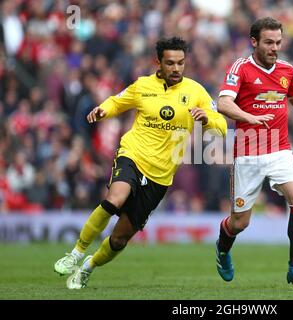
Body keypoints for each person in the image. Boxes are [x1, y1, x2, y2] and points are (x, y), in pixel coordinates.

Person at [54, 37, 227, 289]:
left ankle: (88, 266)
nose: (176, 68)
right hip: (133, 155)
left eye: (181, 63)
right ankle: (75, 254)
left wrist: (206, 119)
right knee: (115, 199)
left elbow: (221, 125)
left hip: (161, 175)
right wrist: (103, 109)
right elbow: (117, 101)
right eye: (170, 63)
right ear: (158, 62)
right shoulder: (143, 85)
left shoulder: (196, 91)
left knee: (119, 239)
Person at [214, 17, 293, 289]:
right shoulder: (241, 68)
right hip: (248, 154)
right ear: (254, 42)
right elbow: (223, 104)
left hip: (279, 149)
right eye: (269, 42)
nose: (275, 48)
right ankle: (223, 250)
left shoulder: (286, 70)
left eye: (279, 42)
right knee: (239, 223)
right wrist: (248, 116)